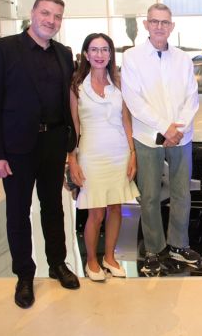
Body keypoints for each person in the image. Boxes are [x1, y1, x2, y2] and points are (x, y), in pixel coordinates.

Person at [0, 0, 80, 309]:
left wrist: (71, 143)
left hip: (53, 143)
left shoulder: (64, 53)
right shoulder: (2, 49)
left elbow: (67, 100)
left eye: (57, 16)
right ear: (32, 13)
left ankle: (57, 263)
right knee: (18, 212)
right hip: (16, 148)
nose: (51, 20)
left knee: (54, 207)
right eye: (46, 13)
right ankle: (24, 275)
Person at [122, 3, 201, 276]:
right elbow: (134, 100)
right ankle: (154, 249)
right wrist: (164, 128)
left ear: (171, 26)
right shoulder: (132, 57)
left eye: (164, 22)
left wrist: (178, 128)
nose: (159, 26)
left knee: (181, 193)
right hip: (147, 136)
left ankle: (179, 244)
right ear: (146, 24)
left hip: (181, 136)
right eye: (154, 21)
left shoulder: (183, 59)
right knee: (150, 196)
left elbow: (192, 96)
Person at [67, 33, 139, 281]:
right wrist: (72, 159)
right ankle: (91, 260)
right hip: (91, 154)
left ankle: (110, 257)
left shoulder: (119, 84)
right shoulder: (76, 87)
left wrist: (132, 154)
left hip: (119, 153)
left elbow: (126, 122)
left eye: (105, 49)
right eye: (94, 50)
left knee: (116, 208)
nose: (100, 54)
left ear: (110, 54)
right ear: (86, 54)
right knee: (96, 212)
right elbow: (74, 126)